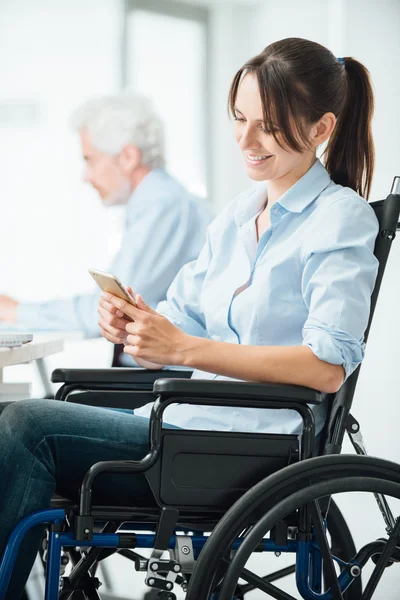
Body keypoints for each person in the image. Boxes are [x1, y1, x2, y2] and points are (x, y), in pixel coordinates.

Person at [0, 38, 379, 599]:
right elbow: (182, 316)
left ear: (321, 129)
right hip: (187, 425)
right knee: (17, 416)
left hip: (242, 446)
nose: (245, 141)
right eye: (240, 119)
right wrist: (134, 324)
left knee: (25, 425)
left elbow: (326, 367)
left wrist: (183, 350)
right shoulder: (238, 216)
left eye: (268, 126)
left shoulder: (339, 220)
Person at [0, 92, 210, 340]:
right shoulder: (160, 203)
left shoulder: (164, 207)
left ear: (128, 157)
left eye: (91, 160)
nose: (86, 177)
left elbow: (111, 309)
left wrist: (16, 311)